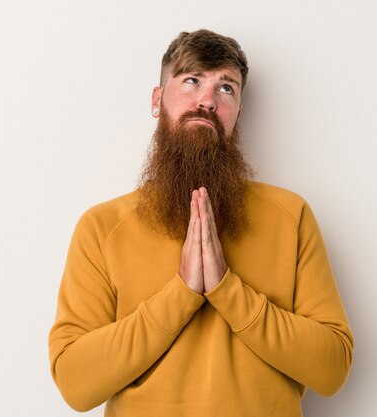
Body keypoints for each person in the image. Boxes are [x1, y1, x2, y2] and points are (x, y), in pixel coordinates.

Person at [49, 29, 353, 417]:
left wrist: (228, 291)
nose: (207, 100)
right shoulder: (101, 227)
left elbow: (332, 370)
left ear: (237, 114)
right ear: (158, 100)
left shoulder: (290, 216)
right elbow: (76, 385)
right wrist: (182, 293)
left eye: (226, 88)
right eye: (192, 80)